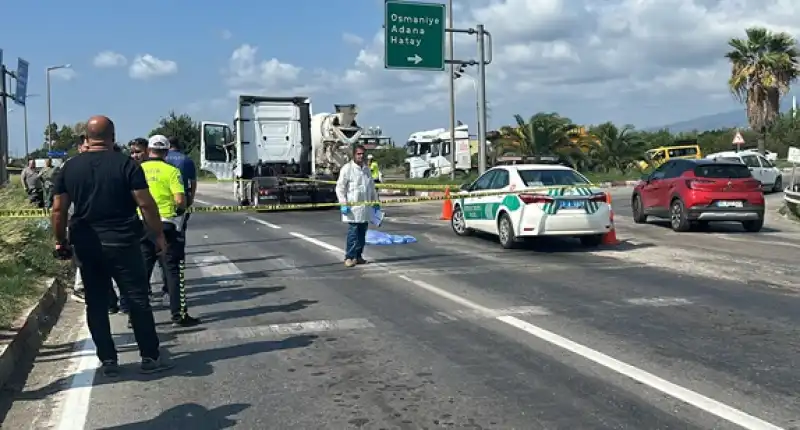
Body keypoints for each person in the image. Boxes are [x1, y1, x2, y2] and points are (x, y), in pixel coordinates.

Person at [51, 115, 173, 376]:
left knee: (95, 303)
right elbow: (146, 203)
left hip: (87, 244)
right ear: (113, 137)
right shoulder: (126, 164)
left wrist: (60, 241)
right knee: (137, 299)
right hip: (124, 242)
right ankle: (150, 356)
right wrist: (158, 234)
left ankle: (108, 360)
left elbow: (58, 210)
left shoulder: (69, 168)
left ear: (87, 137)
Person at [139, 135, 201, 327]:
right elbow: (181, 201)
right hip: (166, 224)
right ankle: (178, 314)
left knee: (142, 272)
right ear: (166, 152)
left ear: (149, 150)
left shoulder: (137, 170)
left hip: (142, 225)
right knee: (173, 270)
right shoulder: (172, 171)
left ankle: (135, 317)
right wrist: (180, 211)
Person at [336, 144, 380, 267]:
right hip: (353, 208)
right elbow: (340, 188)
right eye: (358, 154)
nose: (361, 156)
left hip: (365, 208)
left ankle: (358, 256)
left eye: (362, 154)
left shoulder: (366, 169)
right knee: (353, 233)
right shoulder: (347, 169)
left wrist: (375, 202)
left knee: (362, 234)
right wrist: (343, 203)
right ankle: (349, 257)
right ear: (354, 155)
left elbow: (371, 188)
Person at [165, 136, 197, 232]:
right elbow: (193, 182)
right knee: (180, 228)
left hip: (165, 196)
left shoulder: (163, 158)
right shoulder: (187, 160)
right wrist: (190, 199)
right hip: (183, 196)